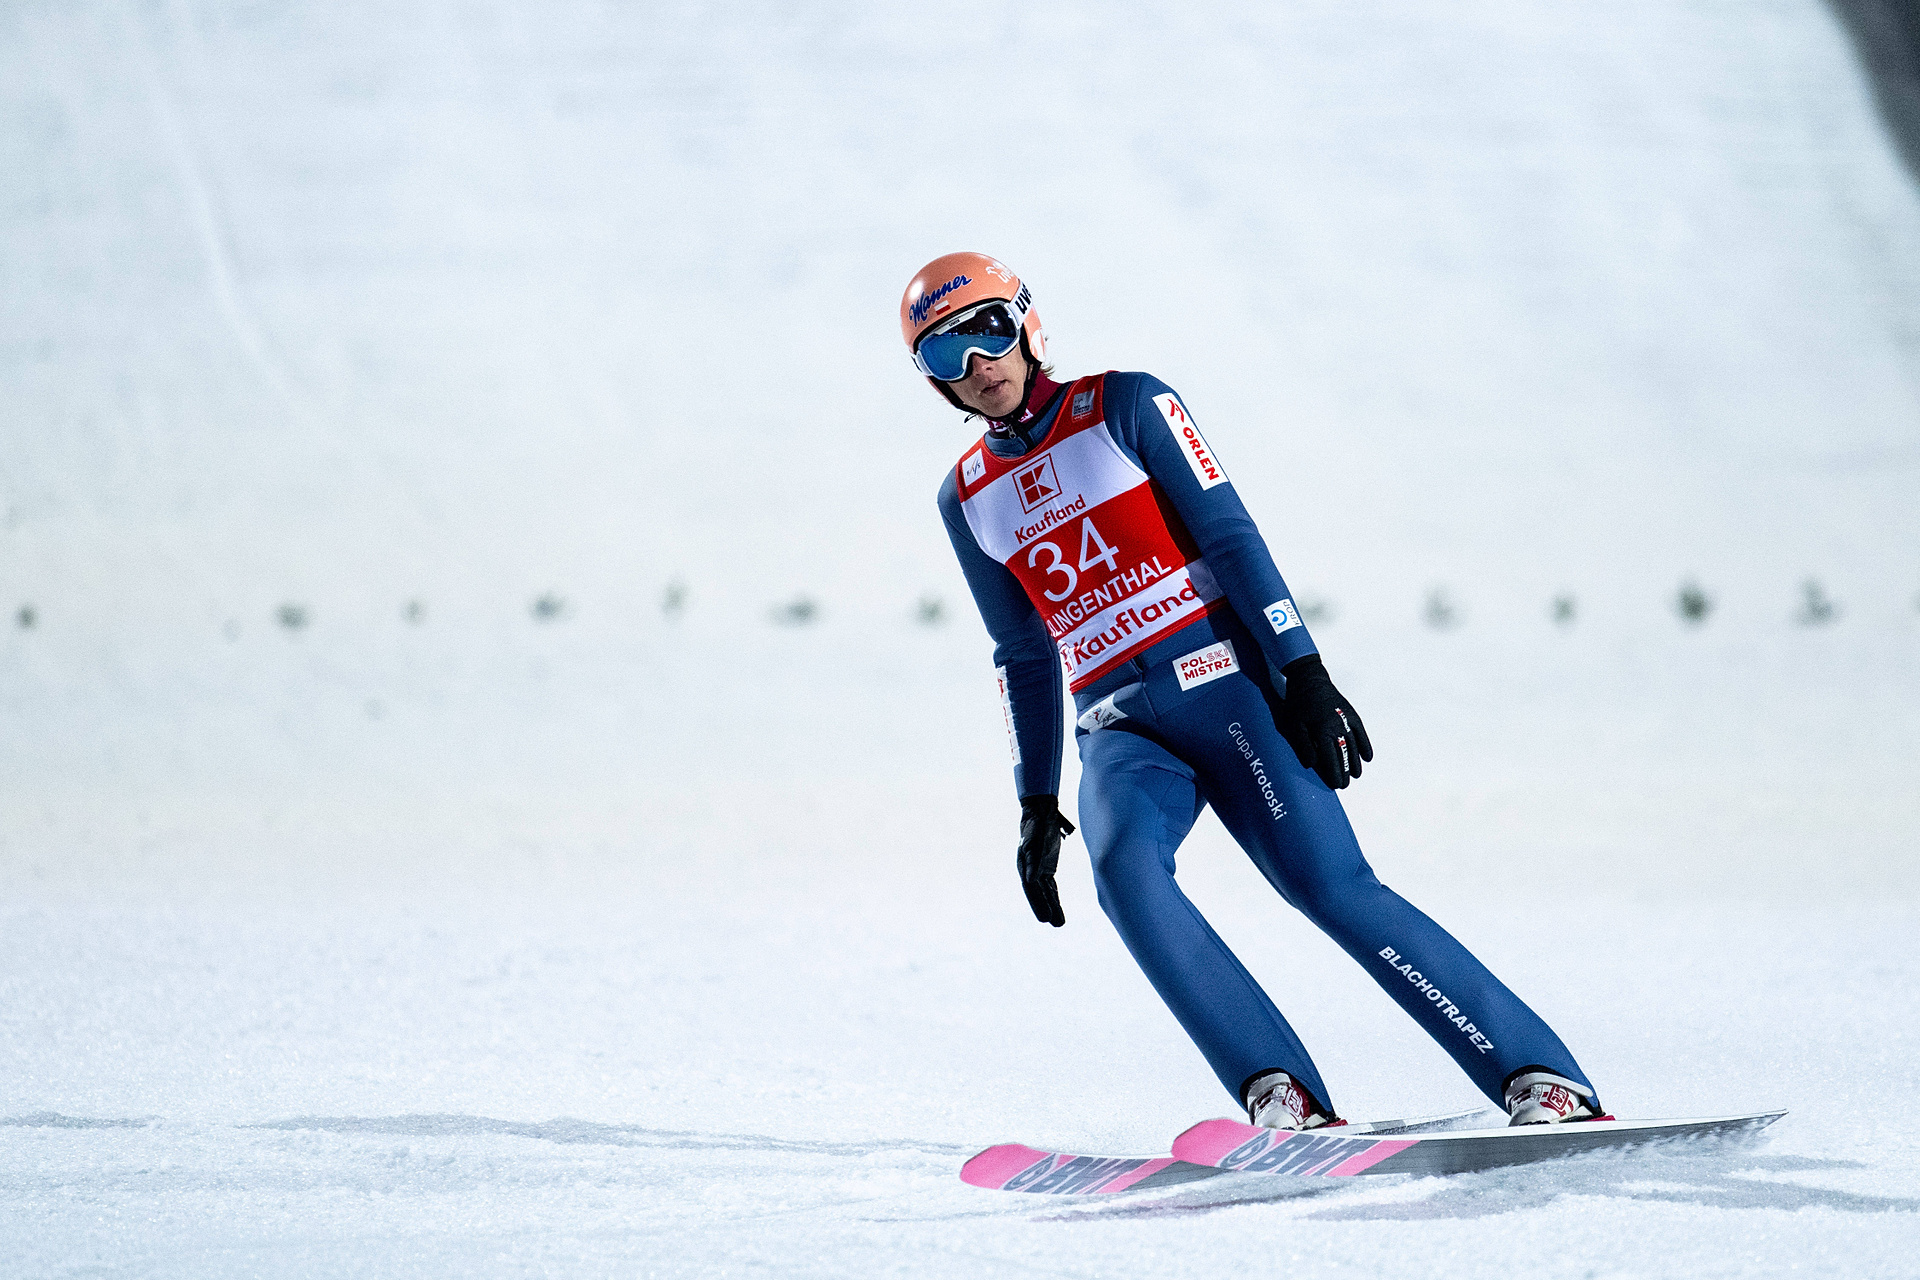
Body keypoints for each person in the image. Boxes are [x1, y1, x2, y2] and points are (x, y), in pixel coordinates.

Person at [905, 252, 1605, 1130]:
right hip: (1119, 732)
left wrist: (1304, 672)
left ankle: (1541, 1077)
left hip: (1228, 692)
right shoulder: (964, 494)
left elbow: (1232, 536)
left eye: (988, 333)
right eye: (944, 356)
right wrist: (1034, 802)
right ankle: (1283, 1094)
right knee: (1123, 874)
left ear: (1027, 325)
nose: (977, 366)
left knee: (1331, 887)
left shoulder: (1126, 403)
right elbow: (1021, 655)